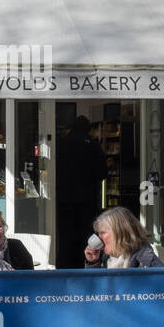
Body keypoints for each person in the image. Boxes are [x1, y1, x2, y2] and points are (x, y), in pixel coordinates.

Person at [55, 114, 108, 269]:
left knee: (65, 236)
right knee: (86, 235)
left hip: (64, 199)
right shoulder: (92, 145)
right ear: (88, 129)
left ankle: (64, 267)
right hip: (87, 200)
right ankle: (85, 263)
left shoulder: (61, 144)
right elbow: (102, 173)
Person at [84, 206, 163, 268]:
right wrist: (93, 263)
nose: (99, 238)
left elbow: (162, 285)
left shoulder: (145, 259)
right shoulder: (107, 258)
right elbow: (95, 287)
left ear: (121, 233)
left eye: (103, 233)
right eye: (98, 233)